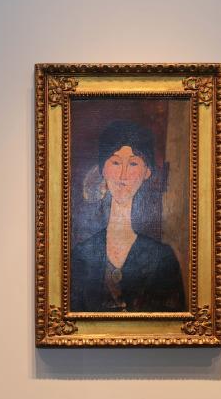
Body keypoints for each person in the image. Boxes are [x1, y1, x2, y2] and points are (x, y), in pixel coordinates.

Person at [70, 119, 185, 312]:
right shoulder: (81, 255)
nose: (122, 175)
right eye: (115, 162)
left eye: (133, 163)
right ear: (103, 169)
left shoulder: (163, 258)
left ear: (147, 172)